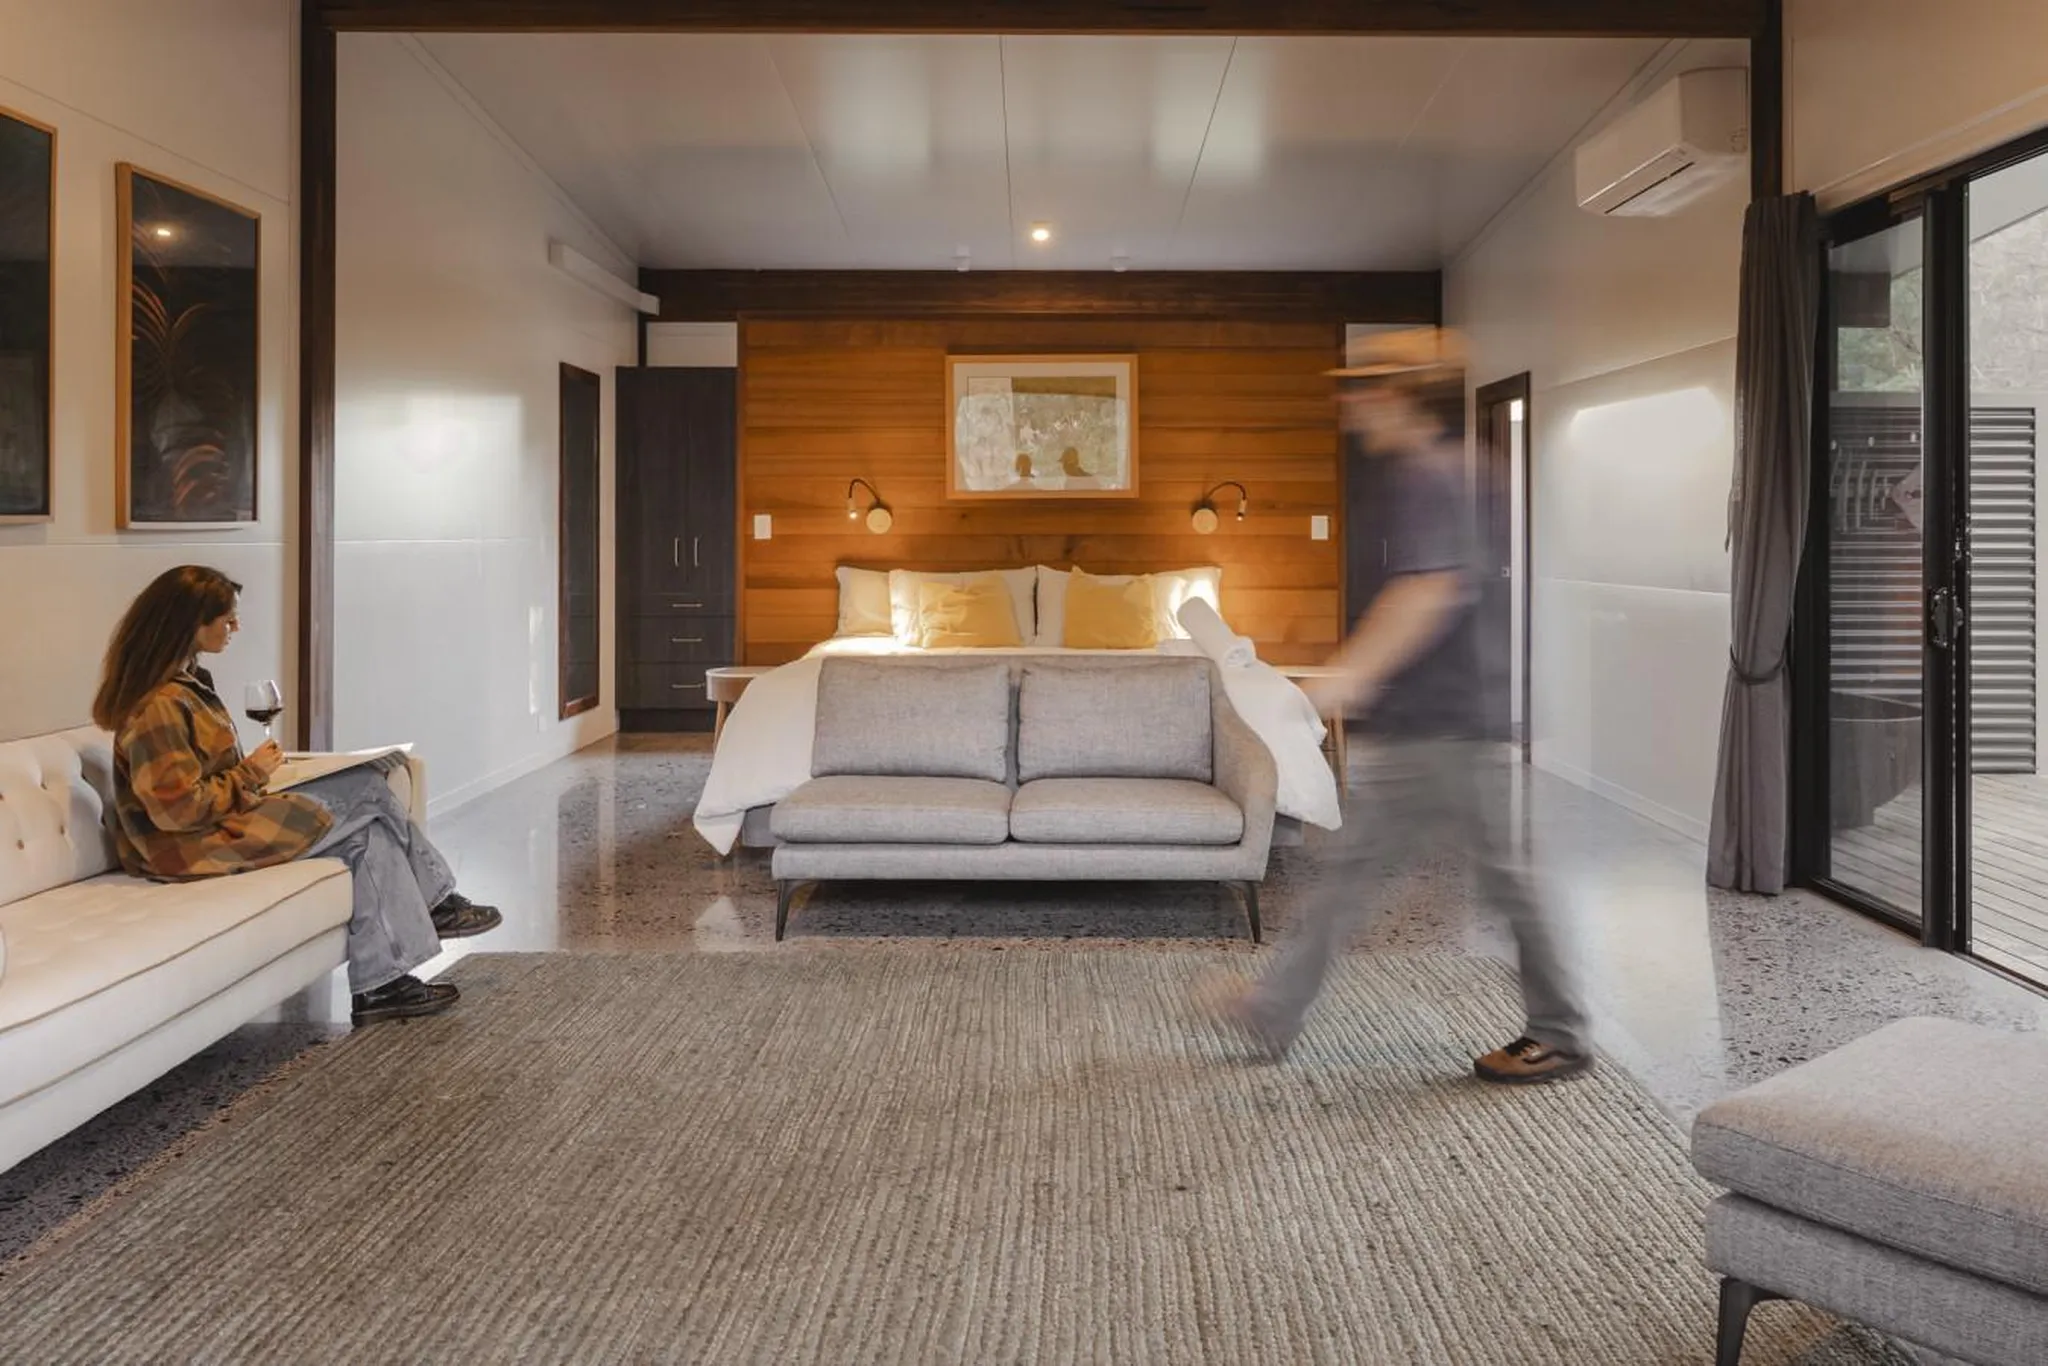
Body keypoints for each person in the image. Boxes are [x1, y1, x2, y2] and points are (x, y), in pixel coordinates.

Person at [1200, 329, 1592, 1085]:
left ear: (1396, 395)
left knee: (1463, 877)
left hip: (1443, 721)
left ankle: (1562, 1033)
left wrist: (1343, 676)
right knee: (1381, 870)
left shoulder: (1428, 476)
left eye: (1360, 387)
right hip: (1447, 714)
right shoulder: (1464, 470)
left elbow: (1428, 589)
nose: (1348, 402)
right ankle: (1277, 1008)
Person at [91, 565, 501, 1027]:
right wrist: (250, 774)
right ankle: (438, 902)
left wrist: (258, 776)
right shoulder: (160, 707)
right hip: (185, 849)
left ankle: (382, 987)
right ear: (191, 624)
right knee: (367, 789)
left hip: (216, 826)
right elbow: (178, 811)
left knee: (368, 834)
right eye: (227, 620)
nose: (236, 628)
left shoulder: (188, 683)